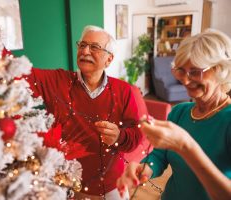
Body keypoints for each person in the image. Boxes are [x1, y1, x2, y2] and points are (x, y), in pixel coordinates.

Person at [25, 25, 148, 199]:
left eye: (94, 47)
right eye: (82, 45)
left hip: (112, 185)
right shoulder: (58, 81)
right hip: (67, 184)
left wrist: (119, 136)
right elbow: (21, 72)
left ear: (109, 59)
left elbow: (136, 136)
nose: (85, 51)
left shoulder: (124, 91)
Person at [117, 29, 231, 200]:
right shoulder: (179, 112)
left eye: (194, 71)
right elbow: (160, 155)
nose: (184, 80)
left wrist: (186, 146)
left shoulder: (227, 121)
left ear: (220, 70)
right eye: (180, 70)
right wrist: (145, 169)